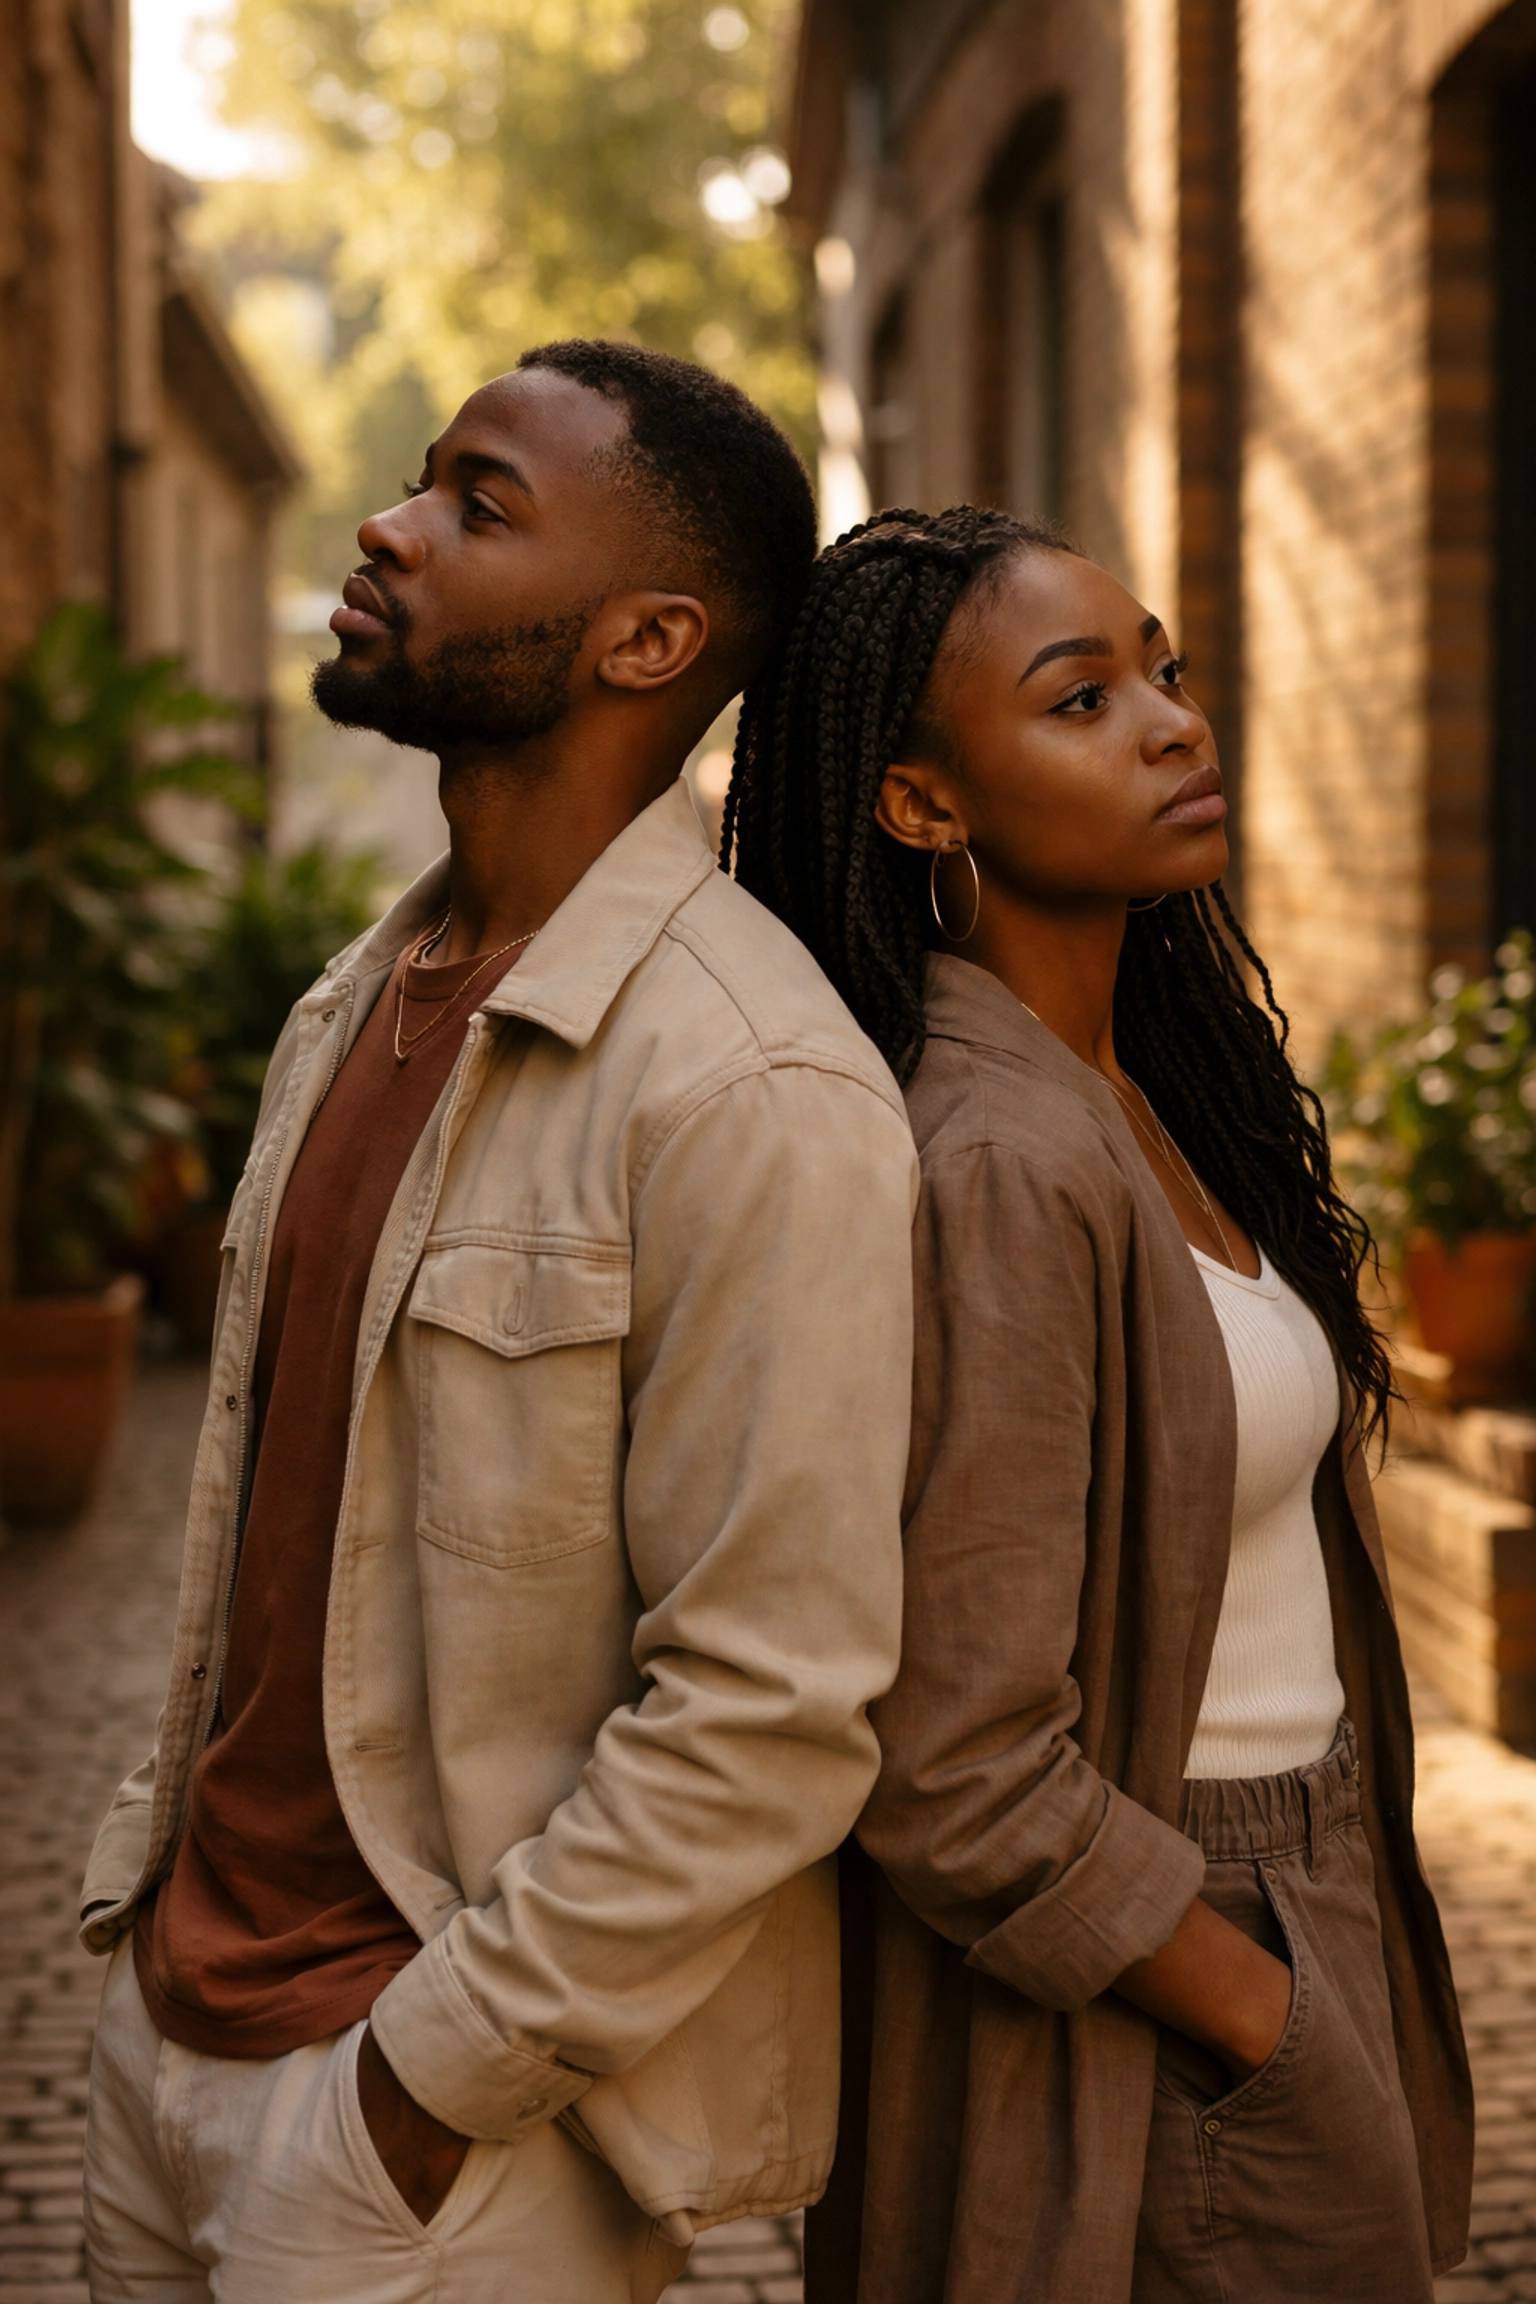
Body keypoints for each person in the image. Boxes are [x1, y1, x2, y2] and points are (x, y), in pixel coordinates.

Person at [78, 344, 919, 2304]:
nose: (386, 529)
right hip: (175, 2030)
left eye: (478, 503)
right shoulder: (351, 1005)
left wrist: (426, 2086)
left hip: (425, 2151)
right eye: (417, 481)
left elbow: (771, 1711)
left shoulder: (746, 1083)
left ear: (648, 639)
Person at [725, 504, 1473, 2304]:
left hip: (1308, 1878)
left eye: (1167, 671)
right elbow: (957, 1766)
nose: (1170, 722)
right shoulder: (995, 1158)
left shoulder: (1135, 1097)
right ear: (920, 802)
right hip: (1175, 1960)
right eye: (1081, 699)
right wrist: (1259, 2006)